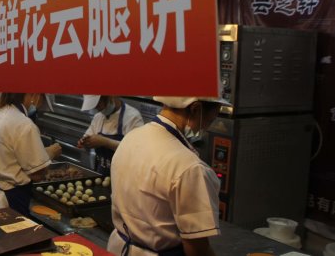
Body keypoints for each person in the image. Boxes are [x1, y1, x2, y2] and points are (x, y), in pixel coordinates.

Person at [107, 96, 229, 256]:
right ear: (196, 109)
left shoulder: (131, 138)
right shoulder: (190, 168)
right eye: (213, 116)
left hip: (119, 248)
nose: (210, 123)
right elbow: (197, 249)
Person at [0, 92, 62, 216]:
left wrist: (44, 152)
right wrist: (50, 154)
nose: (40, 104)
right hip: (8, 201)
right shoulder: (24, 124)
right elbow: (37, 174)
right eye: (42, 98)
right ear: (34, 96)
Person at [77, 95, 144, 175]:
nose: (98, 109)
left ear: (110, 97)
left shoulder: (132, 117)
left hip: (124, 177)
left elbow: (135, 150)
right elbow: (88, 135)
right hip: (102, 174)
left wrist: (105, 142)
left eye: (99, 105)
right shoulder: (98, 117)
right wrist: (84, 142)